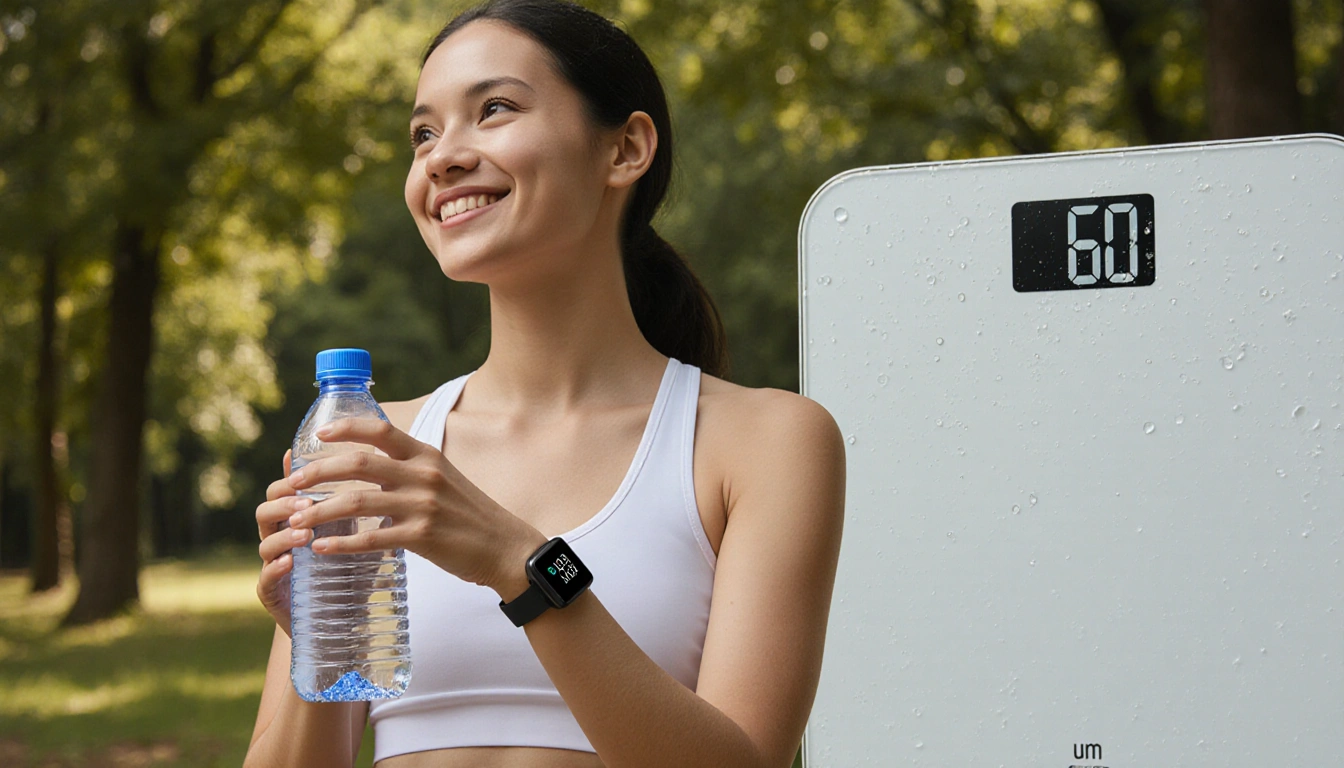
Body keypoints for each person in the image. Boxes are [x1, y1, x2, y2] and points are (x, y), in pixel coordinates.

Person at [244, 1, 845, 766]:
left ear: (625, 149)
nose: (441, 157)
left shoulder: (765, 441)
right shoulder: (371, 447)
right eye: (423, 133)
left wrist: (520, 564)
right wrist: (321, 641)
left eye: (493, 109)